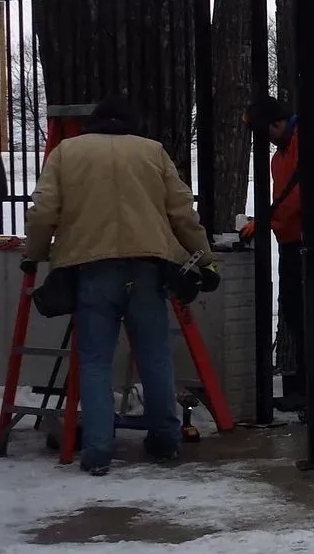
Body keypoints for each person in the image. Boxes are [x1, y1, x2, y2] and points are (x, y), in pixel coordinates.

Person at [22, 97, 219, 476]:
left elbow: (44, 209)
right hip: (147, 268)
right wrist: (204, 258)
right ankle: (164, 439)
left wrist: (33, 254)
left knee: (95, 361)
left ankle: (97, 451)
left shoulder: (67, 152)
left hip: (90, 269)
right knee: (154, 356)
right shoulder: (152, 152)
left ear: (91, 126)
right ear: (134, 125)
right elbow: (182, 211)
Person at [245, 96, 314, 416]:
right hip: (295, 241)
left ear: (278, 123)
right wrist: (273, 227)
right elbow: (285, 200)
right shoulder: (279, 158)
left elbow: (300, 191)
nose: (265, 140)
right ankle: (309, 389)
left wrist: (267, 220)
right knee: (296, 314)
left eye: (266, 132)